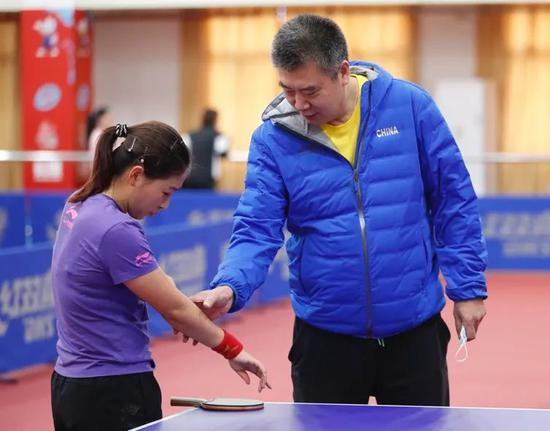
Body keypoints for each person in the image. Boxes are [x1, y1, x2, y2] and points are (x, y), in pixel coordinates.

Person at [191, 14, 487, 407]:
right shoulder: (272, 139)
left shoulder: (411, 107)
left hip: (414, 331)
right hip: (324, 338)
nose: (299, 104)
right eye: (288, 90)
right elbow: (256, 227)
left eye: (310, 91)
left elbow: (453, 200)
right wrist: (230, 285)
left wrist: (468, 288)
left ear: (343, 72)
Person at [50, 121, 270, 431]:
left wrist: (179, 306)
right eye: (166, 192)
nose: (165, 205)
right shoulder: (116, 229)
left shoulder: (80, 203)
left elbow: (158, 285)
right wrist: (233, 349)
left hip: (70, 385)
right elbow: (175, 310)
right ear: (136, 175)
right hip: (112, 391)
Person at [183, 109, 230, 189]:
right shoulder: (220, 137)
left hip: (190, 177)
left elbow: (182, 154)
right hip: (208, 179)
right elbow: (223, 153)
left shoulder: (189, 136)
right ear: (216, 120)